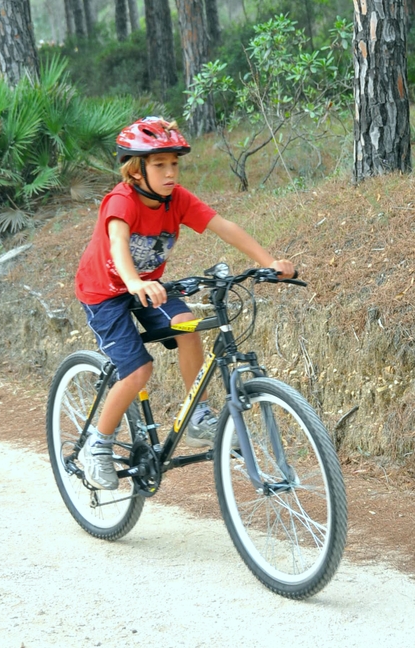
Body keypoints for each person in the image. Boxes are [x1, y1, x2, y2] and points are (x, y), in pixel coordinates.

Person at [74, 117, 295, 490]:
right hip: (105, 292)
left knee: (188, 325)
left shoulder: (177, 200)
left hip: (149, 287)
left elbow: (222, 226)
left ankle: (198, 417)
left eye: (174, 163)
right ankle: (96, 445)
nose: (170, 172)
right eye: (160, 165)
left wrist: (268, 261)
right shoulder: (121, 200)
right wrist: (133, 281)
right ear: (136, 170)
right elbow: (117, 246)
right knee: (137, 371)